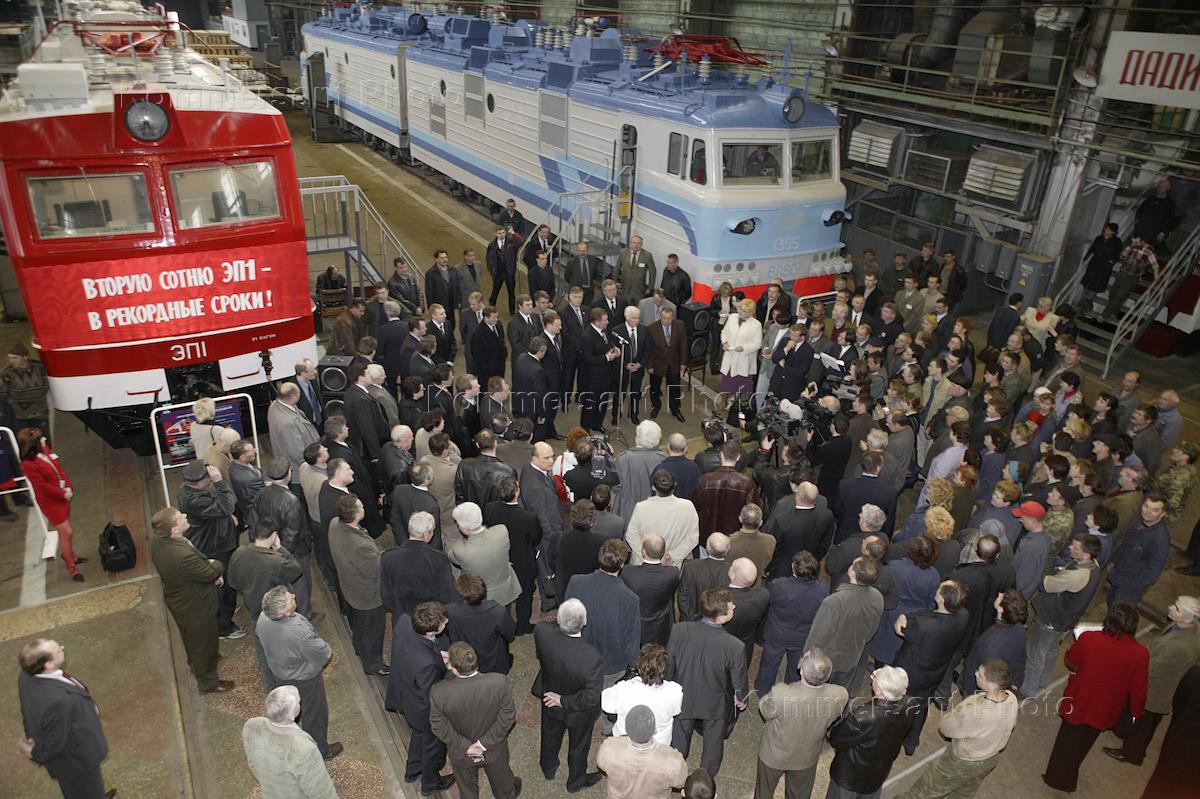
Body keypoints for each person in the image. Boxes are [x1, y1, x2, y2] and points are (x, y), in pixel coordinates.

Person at [1042, 602, 1149, 792]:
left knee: (1066, 741)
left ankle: (1056, 778)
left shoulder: (1090, 638)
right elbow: (1139, 689)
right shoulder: (1141, 653)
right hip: (1107, 708)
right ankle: (1070, 776)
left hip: (1080, 699)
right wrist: (1136, 712)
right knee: (1085, 742)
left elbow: (1071, 659)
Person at [896, 659, 1019, 799]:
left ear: (993, 684)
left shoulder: (975, 712)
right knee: (964, 792)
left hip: (963, 762)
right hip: (989, 758)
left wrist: (963, 708)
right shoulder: (1011, 699)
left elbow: (946, 728)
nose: (976, 673)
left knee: (927, 789)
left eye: (980, 674)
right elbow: (1011, 724)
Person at [1105, 595, 1200, 766]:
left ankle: (1132, 755)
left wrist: (1130, 660)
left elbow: (1154, 669)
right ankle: (1125, 734)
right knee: (1141, 719)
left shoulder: (1182, 648)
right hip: (1155, 681)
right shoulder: (1181, 626)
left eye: (1176, 608)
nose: (1170, 607)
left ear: (1187, 619)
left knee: (1143, 726)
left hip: (1157, 691)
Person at [149, 506, 233, 693]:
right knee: (201, 644)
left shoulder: (159, 541)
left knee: (197, 640)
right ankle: (208, 682)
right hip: (195, 605)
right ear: (175, 530)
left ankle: (204, 663)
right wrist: (214, 563)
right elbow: (210, 572)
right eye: (180, 517)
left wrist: (205, 567)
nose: (185, 515)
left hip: (184, 598)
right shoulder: (181, 555)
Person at [17, 637, 114, 799]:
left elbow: (27, 710)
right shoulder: (59, 701)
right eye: (59, 650)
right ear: (48, 664)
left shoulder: (26, 675)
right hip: (77, 759)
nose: (62, 648)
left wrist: (31, 735)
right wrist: (34, 752)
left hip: (71, 750)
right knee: (84, 791)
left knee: (86, 790)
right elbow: (56, 743)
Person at [667, 587, 748, 777]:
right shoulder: (735, 646)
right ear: (721, 616)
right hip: (714, 703)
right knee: (713, 742)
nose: (734, 607)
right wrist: (741, 698)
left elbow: (669, 664)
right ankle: (705, 778)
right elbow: (739, 680)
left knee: (679, 737)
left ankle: (674, 769)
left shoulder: (679, 630)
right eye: (731, 607)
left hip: (683, 697)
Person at [255, 586, 341, 762]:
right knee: (315, 713)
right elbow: (323, 654)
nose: (294, 595)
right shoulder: (298, 632)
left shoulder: (263, 617)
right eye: (291, 599)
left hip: (280, 672)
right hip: (304, 678)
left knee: (293, 707)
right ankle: (320, 749)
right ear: (286, 614)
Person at [565, 539, 641, 728]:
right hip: (613, 661)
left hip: (580, 655)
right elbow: (632, 638)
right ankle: (608, 726)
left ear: (599, 558)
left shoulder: (576, 582)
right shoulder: (630, 599)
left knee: (582, 691)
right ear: (622, 564)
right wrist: (632, 665)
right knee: (610, 697)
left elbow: (567, 617)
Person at [428, 641, 520, 799]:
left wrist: (466, 746)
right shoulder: (498, 682)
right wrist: (483, 743)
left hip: (461, 751)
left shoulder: (438, 692)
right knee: (502, 782)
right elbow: (507, 716)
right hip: (494, 748)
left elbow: (439, 726)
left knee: (467, 789)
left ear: (453, 668)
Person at [755, 648, 848, 799]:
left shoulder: (781, 693)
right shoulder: (840, 694)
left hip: (774, 755)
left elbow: (765, 711)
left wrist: (767, 698)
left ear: (801, 670)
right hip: (807, 757)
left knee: (763, 793)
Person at [533, 598, 604, 791]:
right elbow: (592, 696)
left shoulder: (541, 631)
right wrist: (564, 701)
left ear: (557, 618)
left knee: (549, 735)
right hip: (578, 711)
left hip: (549, 698)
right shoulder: (592, 658)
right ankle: (575, 782)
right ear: (585, 622)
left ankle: (548, 768)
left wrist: (559, 699)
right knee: (579, 746)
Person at [894, 579, 971, 754]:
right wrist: (909, 616)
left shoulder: (923, 626)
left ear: (941, 599)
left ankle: (895, 738)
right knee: (922, 705)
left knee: (900, 707)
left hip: (911, 674)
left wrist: (903, 617)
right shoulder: (963, 615)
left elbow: (900, 629)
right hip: (936, 671)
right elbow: (931, 614)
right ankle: (912, 741)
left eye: (939, 590)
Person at [227, 517, 303, 690]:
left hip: (255, 609)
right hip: (277, 613)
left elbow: (233, 582)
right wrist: (280, 548)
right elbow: (296, 569)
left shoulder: (239, 553)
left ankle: (270, 687)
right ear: (274, 535)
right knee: (285, 650)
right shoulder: (275, 561)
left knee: (263, 651)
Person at [1024, 534, 1106, 695]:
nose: (1070, 548)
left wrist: (1042, 572)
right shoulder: (1095, 566)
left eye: (1075, 548)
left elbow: (1046, 585)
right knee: (1052, 649)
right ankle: (1043, 680)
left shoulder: (1077, 576)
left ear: (1086, 554)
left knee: (1037, 652)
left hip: (1052, 619)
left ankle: (1028, 689)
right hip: (1068, 620)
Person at [388, 603, 455, 795]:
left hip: (406, 696)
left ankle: (412, 770)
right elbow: (432, 693)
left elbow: (415, 651)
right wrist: (450, 671)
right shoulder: (427, 664)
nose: (446, 622)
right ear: (431, 631)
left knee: (418, 736)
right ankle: (430, 784)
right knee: (433, 747)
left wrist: (437, 656)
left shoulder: (404, 622)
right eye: (443, 622)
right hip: (424, 710)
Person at [826, 665, 918, 799]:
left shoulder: (862, 716)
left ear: (880, 691)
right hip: (879, 773)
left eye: (874, 677)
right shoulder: (910, 703)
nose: (872, 678)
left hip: (849, 777)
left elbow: (836, 739)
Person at [327, 495, 388, 676]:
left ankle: (359, 647)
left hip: (349, 586)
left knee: (360, 624)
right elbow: (378, 570)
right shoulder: (361, 546)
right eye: (361, 506)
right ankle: (373, 664)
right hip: (368, 596)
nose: (364, 507)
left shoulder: (334, 524)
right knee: (373, 630)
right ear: (357, 515)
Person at [242, 685, 337, 799]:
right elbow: (321, 791)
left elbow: (253, 764)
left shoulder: (251, 725)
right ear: (292, 716)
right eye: (298, 703)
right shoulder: (304, 749)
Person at [805, 557, 885, 691]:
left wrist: (807, 655)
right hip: (852, 656)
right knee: (840, 692)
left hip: (826, 658)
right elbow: (871, 631)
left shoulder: (835, 601)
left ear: (852, 573)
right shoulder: (878, 597)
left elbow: (818, 635)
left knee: (817, 690)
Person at [756, 551, 828, 696]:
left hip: (777, 634)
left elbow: (767, 602)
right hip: (802, 637)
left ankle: (763, 690)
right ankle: (792, 691)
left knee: (769, 665)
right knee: (796, 667)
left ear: (794, 568)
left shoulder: (779, 585)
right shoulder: (823, 590)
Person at [18, 428, 83, 581]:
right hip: (51, 502)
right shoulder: (27, 465)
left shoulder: (43, 450)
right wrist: (62, 493)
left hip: (62, 494)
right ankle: (72, 568)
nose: (44, 440)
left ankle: (70, 556)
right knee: (66, 532)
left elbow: (58, 469)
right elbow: (42, 486)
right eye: (40, 439)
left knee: (65, 532)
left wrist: (67, 486)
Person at [596, 704, 688, 799]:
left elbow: (600, 763)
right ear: (654, 730)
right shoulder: (673, 761)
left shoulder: (608, 749)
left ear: (627, 728)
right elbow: (681, 782)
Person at [380, 511, 456, 617]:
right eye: (432, 531)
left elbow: (386, 596)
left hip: (402, 615)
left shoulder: (387, 557)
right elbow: (447, 595)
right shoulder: (439, 559)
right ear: (426, 535)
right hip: (430, 616)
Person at [449, 502, 522, 608]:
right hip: (505, 589)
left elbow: (453, 559)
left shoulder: (458, 550)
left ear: (465, 529)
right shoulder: (502, 530)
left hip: (483, 597)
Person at [627, 469, 700, 567]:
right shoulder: (688, 506)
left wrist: (648, 556)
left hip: (643, 564)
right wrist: (673, 555)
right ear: (675, 484)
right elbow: (693, 537)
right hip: (673, 566)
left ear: (653, 487)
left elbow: (631, 536)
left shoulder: (641, 507)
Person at [445, 572, 515, 674]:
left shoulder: (450, 611)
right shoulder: (498, 611)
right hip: (494, 662)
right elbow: (510, 635)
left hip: (465, 661)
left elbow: (448, 632)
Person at [1109, 493, 1170, 609]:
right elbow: (1125, 544)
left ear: (1162, 514)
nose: (1148, 512)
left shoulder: (1160, 539)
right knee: (1110, 603)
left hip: (1130, 588)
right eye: (1146, 506)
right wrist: (1114, 562)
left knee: (1118, 613)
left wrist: (1130, 585)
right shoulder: (1138, 521)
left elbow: (1153, 571)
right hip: (1118, 575)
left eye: (1155, 510)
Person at [962, 589, 1028, 696]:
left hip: (977, 689)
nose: (999, 594)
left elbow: (988, 682)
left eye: (1001, 597)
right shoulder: (1020, 629)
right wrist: (1015, 683)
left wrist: (977, 696)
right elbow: (1022, 659)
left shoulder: (992, 644)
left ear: (1001, 609)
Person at [620, 535, 681, 646]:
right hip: (660, 628)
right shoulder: (673, 573)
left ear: (643, 551)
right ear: (663, 552)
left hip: (634, 627)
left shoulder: (627, 572)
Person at [612, 419, 666, 520]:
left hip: (627, 511)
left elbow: (615, 487)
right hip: (653, 513)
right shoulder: (662, 459)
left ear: (638, 437)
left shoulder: (623, 458)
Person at [718, 298, 762, 398]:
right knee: (726, 384)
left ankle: (735, 403)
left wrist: (744, 348)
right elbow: (724, 332)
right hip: (730, 356)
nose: (740, 312)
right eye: (740, 309)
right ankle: (723, 401)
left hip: (743, 360)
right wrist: (724, 342)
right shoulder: (732, 317)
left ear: (751, 313)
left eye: (744, 311)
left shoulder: (756, 325)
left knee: (739, 387)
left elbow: (758, 344)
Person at [2, 341, 50, 433]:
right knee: (23, 439)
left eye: (15, 358)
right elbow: (3, 393)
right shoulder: (8, 372)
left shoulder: (39, 368)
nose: (11, 361)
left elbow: (46, 385)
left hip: (40, 414)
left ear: (25, 357)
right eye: (9, 358)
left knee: (43, 438)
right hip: (19, 416)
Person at [1080, 223, 1124, 314]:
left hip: (1104, 267)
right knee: (1087, 283)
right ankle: (1083, 301)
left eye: (1109, 230)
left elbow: (1118, 255)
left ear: (1113, 232)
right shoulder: (1099, 238)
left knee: (1096, 285)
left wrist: (1111, 262)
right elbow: (1092, 249)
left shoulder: (1117, 242)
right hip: (1094, 263)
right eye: (1106, 229)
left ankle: (1086, 304)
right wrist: (1085, 259)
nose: (1106, 231)